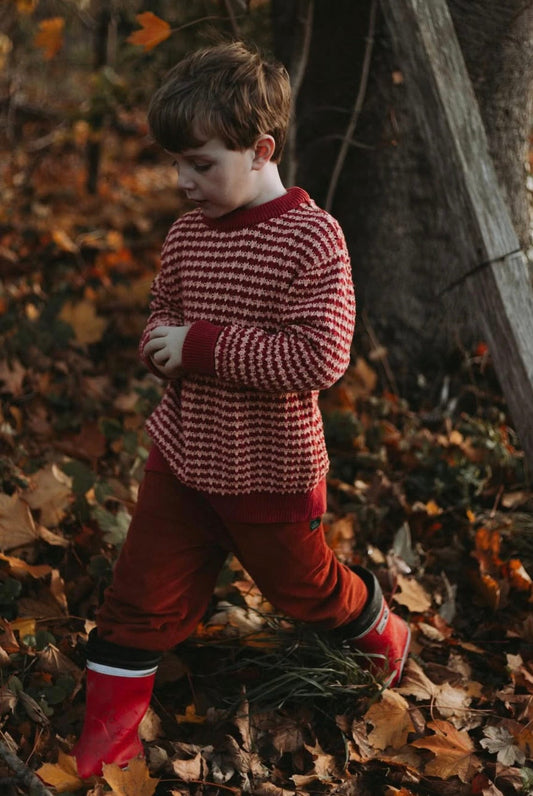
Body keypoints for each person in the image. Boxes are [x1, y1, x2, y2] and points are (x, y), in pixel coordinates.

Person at [71, 40, 410, 779]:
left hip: (268, 469)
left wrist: (198, 345)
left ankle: (383, 633)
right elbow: (164, 318)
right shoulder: (187, 234)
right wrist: (160, 343)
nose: (181, 181)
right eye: (177, 163)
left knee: (305, 590)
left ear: (260, 149)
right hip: (183, 457)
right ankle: (106, 751)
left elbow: (316, 357)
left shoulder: (311, 238)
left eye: (200, 164)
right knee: (138, 595)